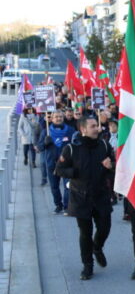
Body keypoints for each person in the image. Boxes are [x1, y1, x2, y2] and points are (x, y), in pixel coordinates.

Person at [54, 116, 115, 280]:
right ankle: (87, 266)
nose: (98, 129)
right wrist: (73, 172)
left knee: (104, 228)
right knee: (85, 233)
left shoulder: (104, 145)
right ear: (83, 130)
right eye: (93, 126)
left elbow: (114, 166)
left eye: (97, 125)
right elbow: (59, 170)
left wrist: (111, 167)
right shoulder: (71, 148)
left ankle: (98, 247)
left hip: (101, 195)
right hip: (81, 197)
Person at [36, 110, 75, 213]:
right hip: (51, 164)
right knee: (54, 186)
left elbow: (76, 145)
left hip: (67, 164)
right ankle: (58, 205)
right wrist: (45, 144)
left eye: (60, 117)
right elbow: (39, 148)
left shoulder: (70, 130)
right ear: (52, 119)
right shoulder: (46, 131)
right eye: (56, 117)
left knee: (68, 186)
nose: (58, 119)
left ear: (63, 118)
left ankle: (67, 206)